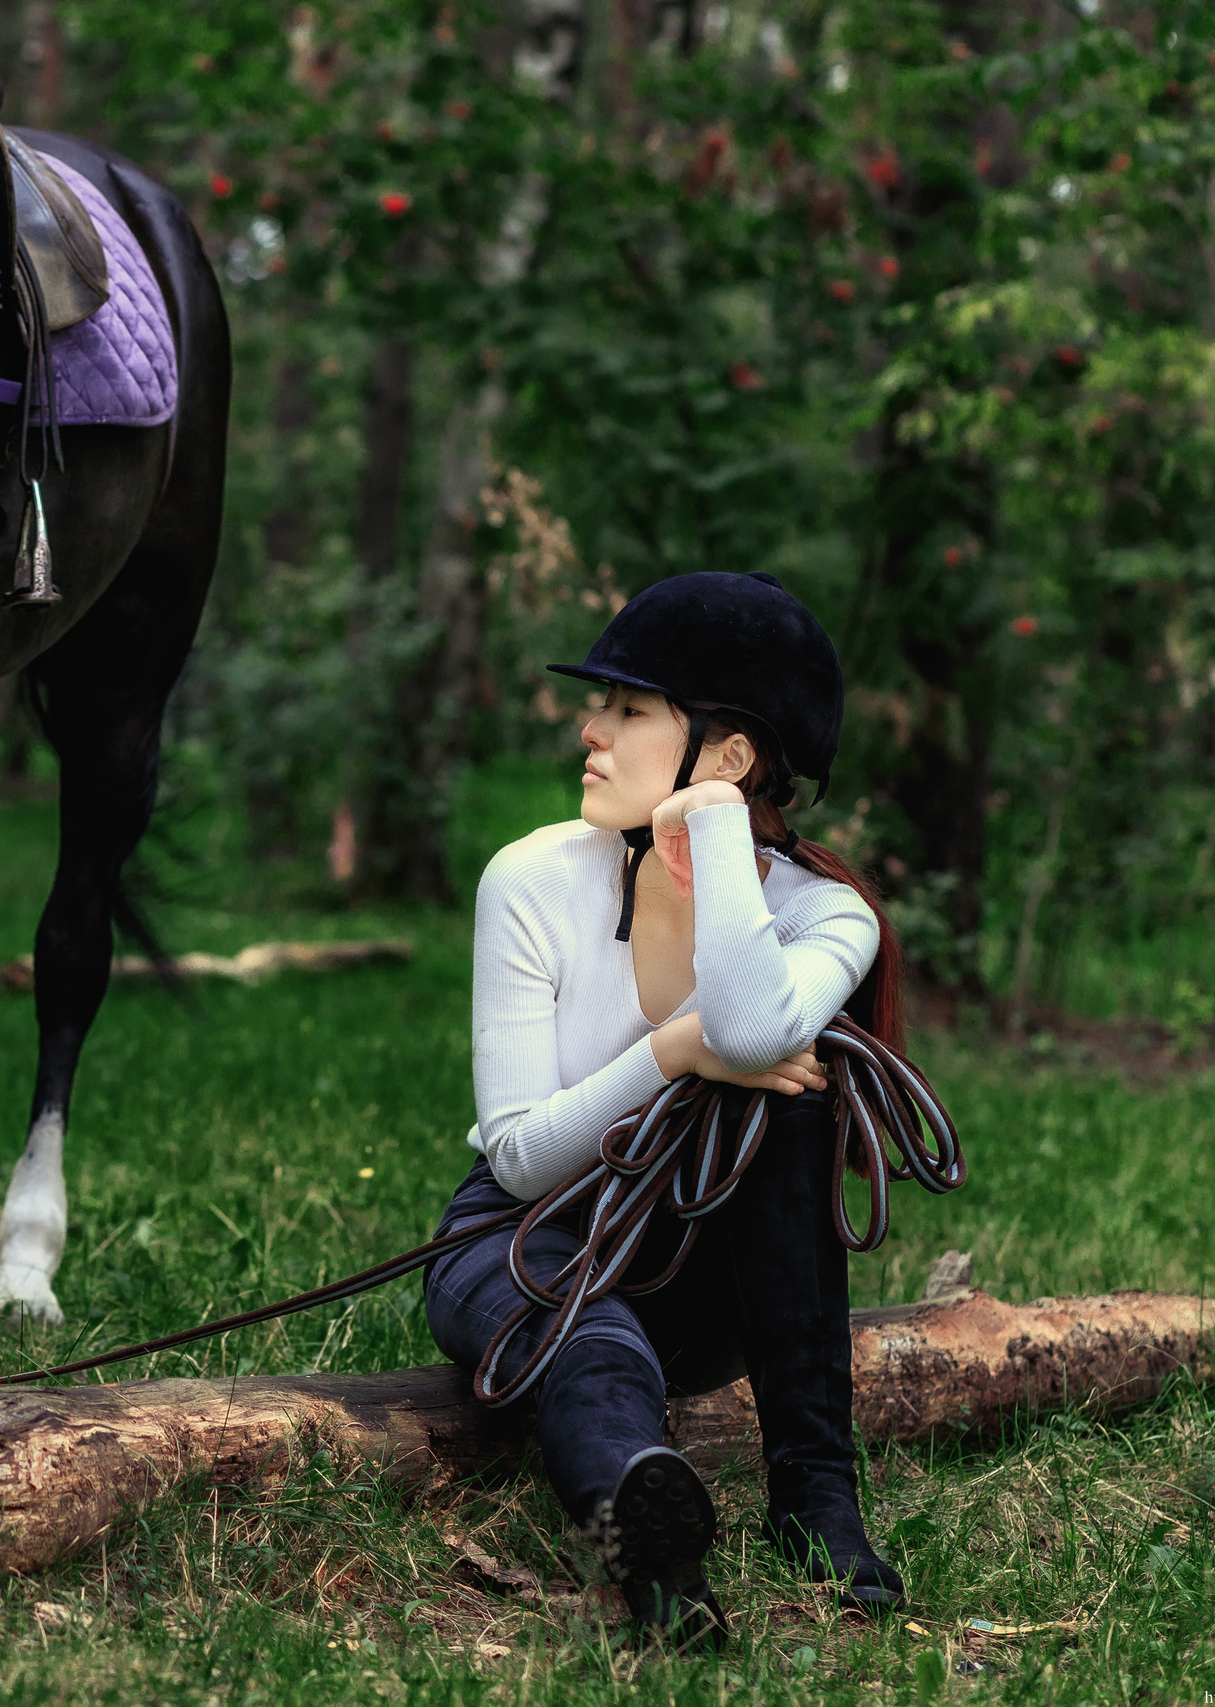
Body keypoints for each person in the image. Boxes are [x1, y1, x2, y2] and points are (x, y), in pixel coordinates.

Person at [423, 570, 910, 1648]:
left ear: (727, 757)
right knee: (587, 1337)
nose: (590, 729)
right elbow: (518, 1157)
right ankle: (651, 1546)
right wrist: (674, 1050)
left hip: (698, 1274)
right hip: (524, 1238)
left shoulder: (831, 915)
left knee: (790, 1104)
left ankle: (817, 1499)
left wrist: (715, 834)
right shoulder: (531, 879)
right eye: (603, 704)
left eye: (630, 708)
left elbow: (753, 1030)